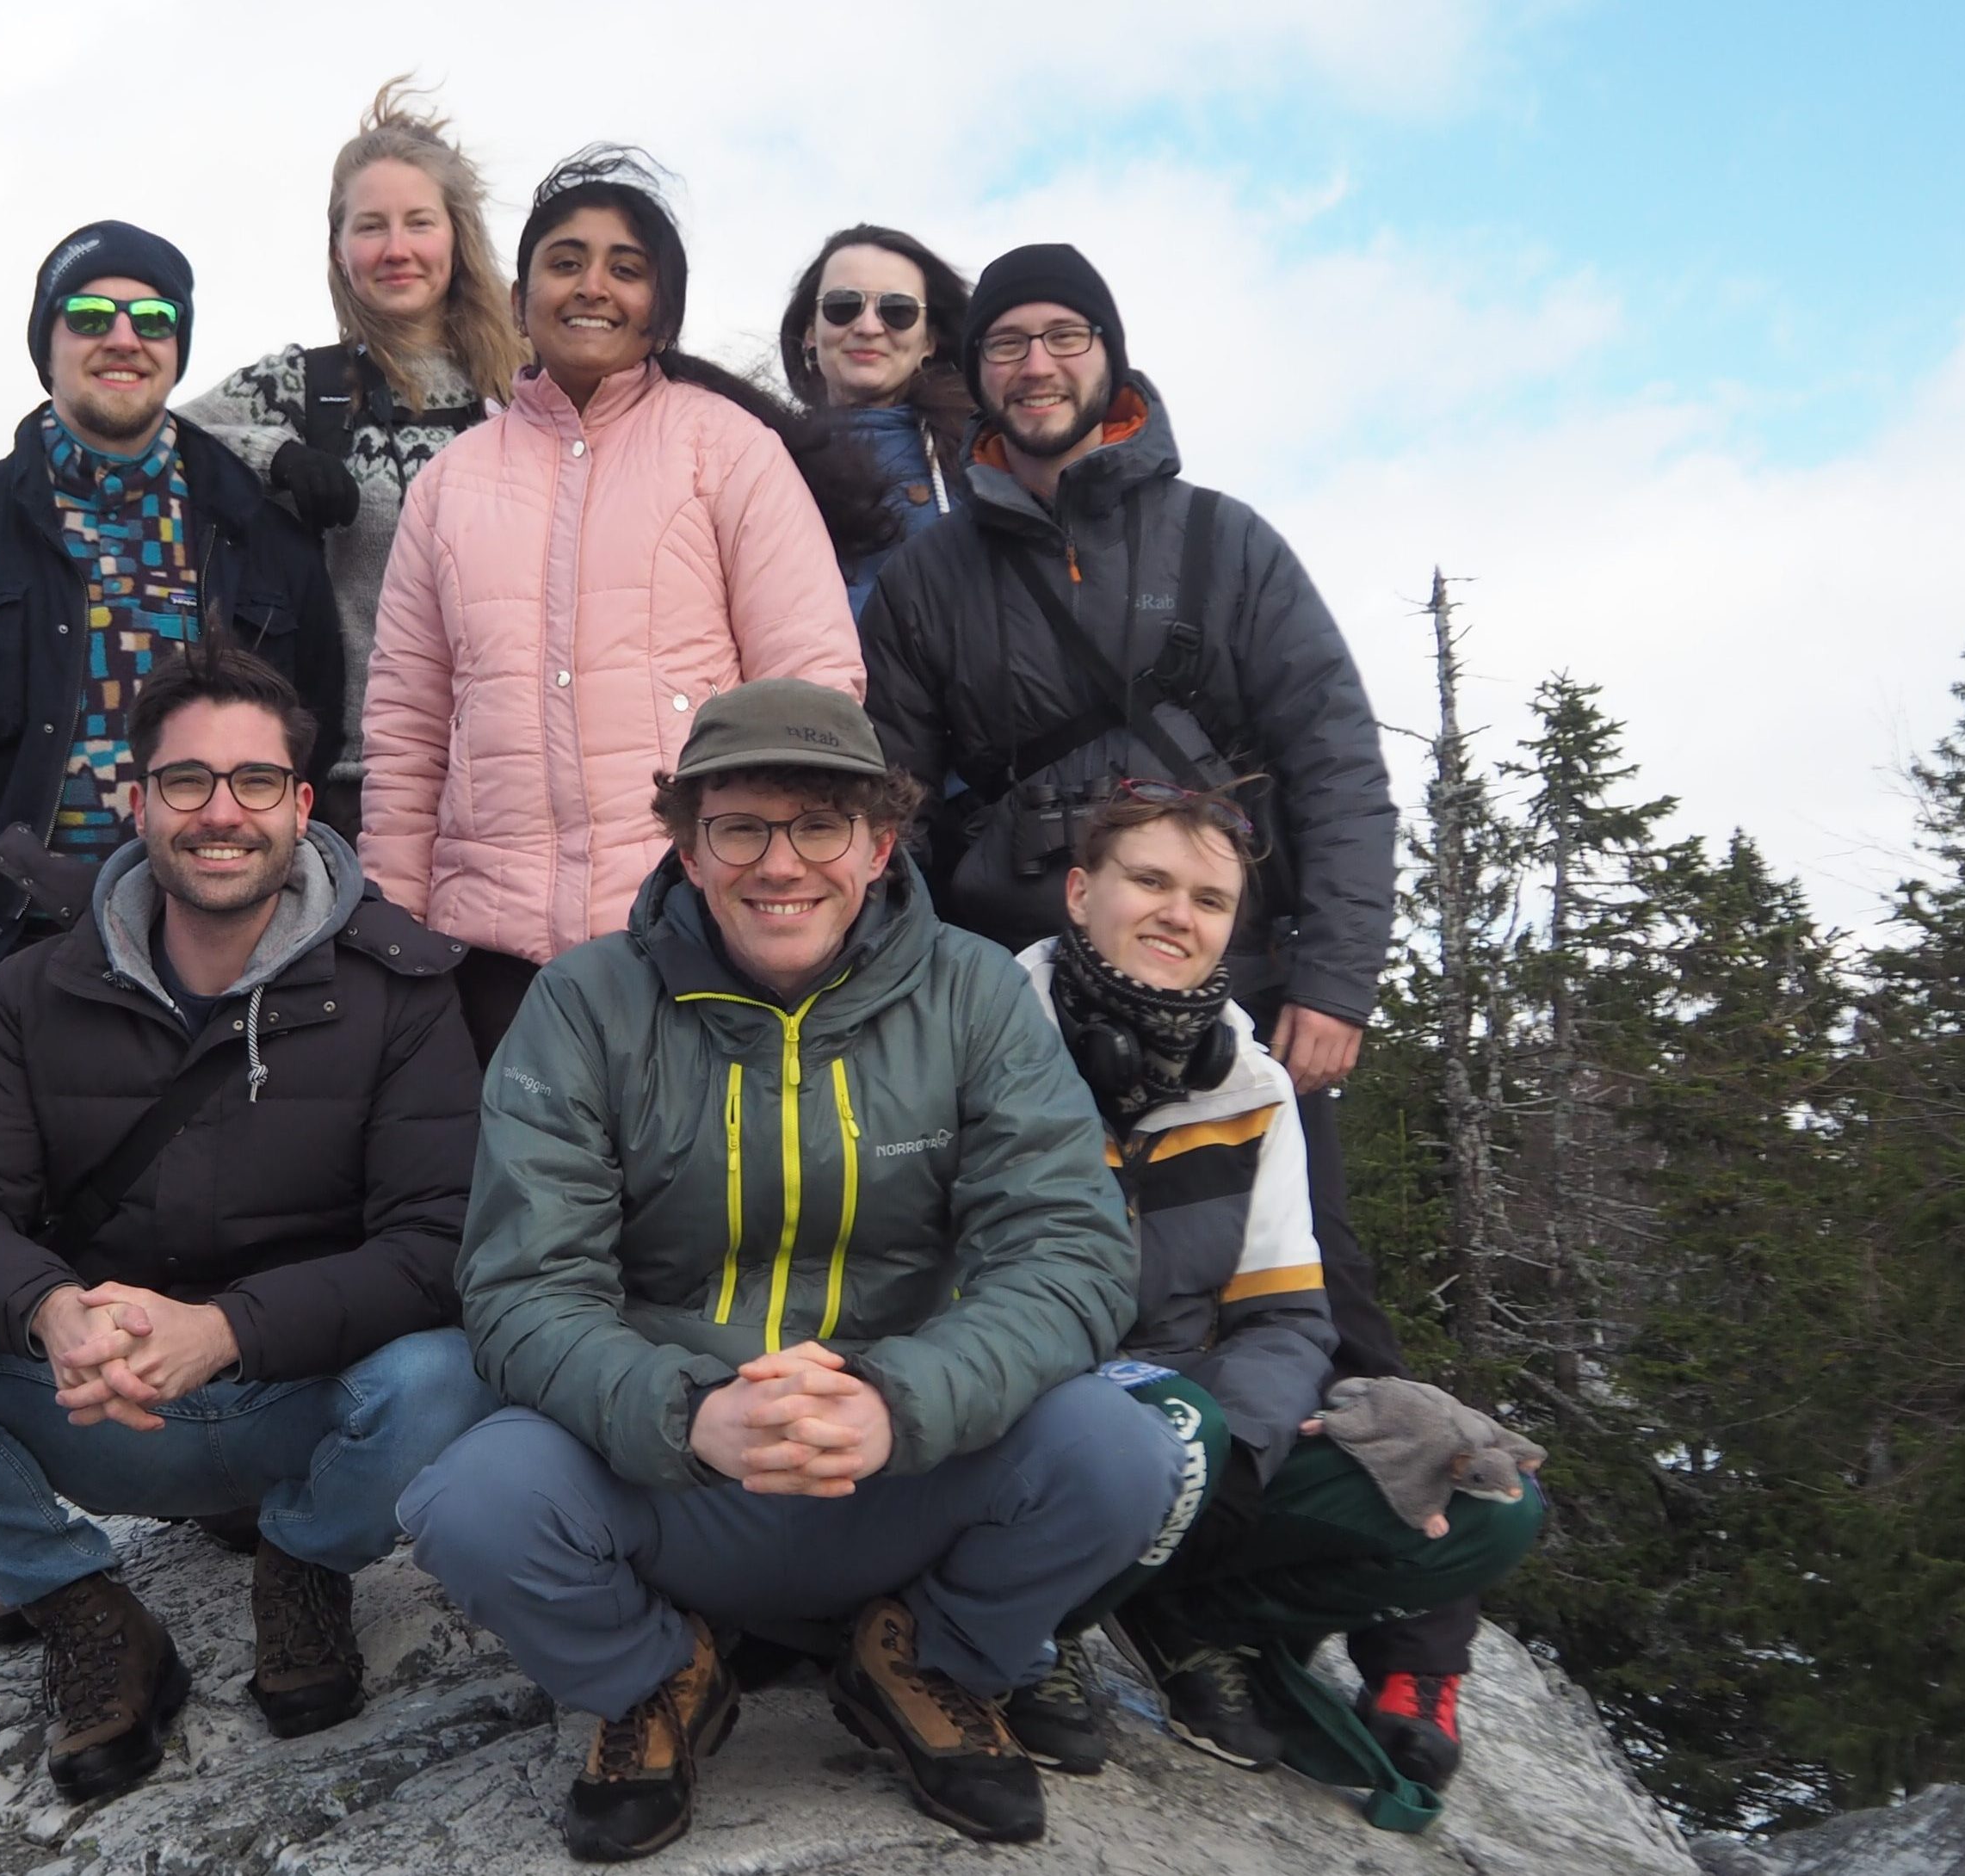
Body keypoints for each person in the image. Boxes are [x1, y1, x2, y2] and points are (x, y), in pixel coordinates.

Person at [855, 239, 1480, 1779]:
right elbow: (892, 809)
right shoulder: (932, 580)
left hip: (1237, 987)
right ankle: (1055, 1593)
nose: (1037, 364)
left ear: (1112, 357)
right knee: (1020, 1287)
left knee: (1317, 1304)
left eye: (1065, 335)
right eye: (1007, 342)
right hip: (1018, 1000)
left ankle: (1402, 1646)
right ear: (974, 377)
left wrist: (1335, 976)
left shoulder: (1223, 543)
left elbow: (1334, 760)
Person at [397, 681, 1180, 1860]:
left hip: (904, 1464)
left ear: (878, 844)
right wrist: (691, 1414)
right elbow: (520, 1290)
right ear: (688, 846)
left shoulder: (974, 993)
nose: (781, 863)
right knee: (474, 1502)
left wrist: (899, 1400)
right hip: (673, 1473)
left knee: (1122, 1453)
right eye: (740, 827)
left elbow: (1069, 1251)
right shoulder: (584, 1002)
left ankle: (920, 1656)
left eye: (820, 825)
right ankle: (657, 1674)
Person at [0, 644, 499, 1806]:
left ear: (302, 805)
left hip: (305, 1398)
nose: (222, 813)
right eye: (187, 780)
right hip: (104, 1396)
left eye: (256, 782)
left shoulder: (398, 990)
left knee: (455, 1366)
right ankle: (85, 1609)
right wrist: (49, 1310)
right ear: (136, 800)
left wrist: (228, 1330)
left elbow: (440, 1241)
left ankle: (304, 1561)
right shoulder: (34, 990)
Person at [1000, 787, 1536, 1816]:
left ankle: (1191, 1610)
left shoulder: (1253, 1086)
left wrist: (1242, 1453)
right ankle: (1029, 1619)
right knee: (1150, 1432)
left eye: (1209, 898)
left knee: (1482, 1503)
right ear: (1078, 891)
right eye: (1149, 880)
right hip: (1020, 1432)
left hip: (1190, 1435)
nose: (1178, 914)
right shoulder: (977, 1041)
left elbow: (1286, 1317)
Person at [364, 147, 887, 1056]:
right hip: (491, 957)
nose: (592, 287)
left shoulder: (727, 449)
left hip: (694, 932)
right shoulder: (448, 485)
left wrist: (774, 881)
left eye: (626, 268)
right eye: (565, 262)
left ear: (662, 308)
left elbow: (812, 693)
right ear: (519, 297)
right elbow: (407, 733)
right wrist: (395, 933)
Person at [0, 220, 344, 1071]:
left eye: (153, 318)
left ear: (177, 349)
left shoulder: (266, 542)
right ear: (47, 345)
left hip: (227, 969)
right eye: (88, 315)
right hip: (1, 968)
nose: (123, 338)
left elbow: (313, 739)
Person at [182, 77, 526, 829]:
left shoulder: (531, 388)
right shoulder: (303, 387)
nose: (396, 249)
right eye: (370, 227)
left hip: (516, 774)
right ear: (340, 251)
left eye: (418, 223)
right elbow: (161, 437)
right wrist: (274, 454)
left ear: (457, 238)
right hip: (351, 784)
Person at [775, 224, 977, 613]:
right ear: (811, 333)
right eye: (842, 306)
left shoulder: (981, 456)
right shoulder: (763, 456)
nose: (868, 327)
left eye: (898, 311)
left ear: (928, 341)